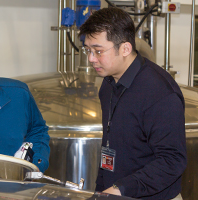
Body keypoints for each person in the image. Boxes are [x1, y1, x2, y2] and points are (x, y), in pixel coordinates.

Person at [78, 7, 187, 200]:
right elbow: (108, 146)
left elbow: (172, 161)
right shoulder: (109, 85)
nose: (91, 59)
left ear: (125, 48)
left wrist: (121, 189)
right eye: (88, 50)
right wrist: (100, 191)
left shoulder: (160, 93)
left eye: (98, 51)